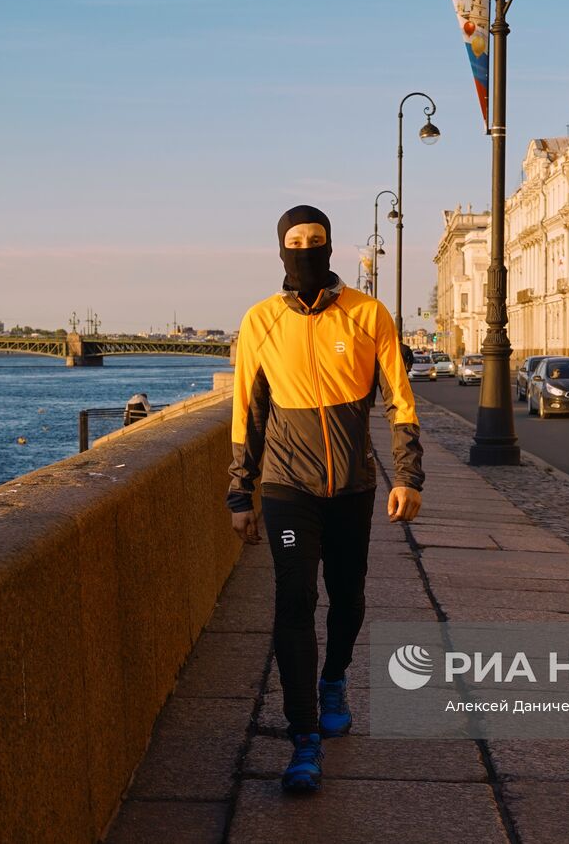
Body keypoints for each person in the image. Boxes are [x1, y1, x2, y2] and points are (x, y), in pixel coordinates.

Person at [229, 205, 425, 794]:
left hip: (353, 488)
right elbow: (247, 414)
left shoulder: (368, 315)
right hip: (288, 487)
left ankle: (334, 676)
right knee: (293, 599)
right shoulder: (260, 322)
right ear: (281, 251)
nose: (307, 251)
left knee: (348, 597)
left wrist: (408, 476)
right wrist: (242, 492)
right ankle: (303, 735)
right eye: (296, 243)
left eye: (316, 242)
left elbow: (400, 398)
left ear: (331, 248)